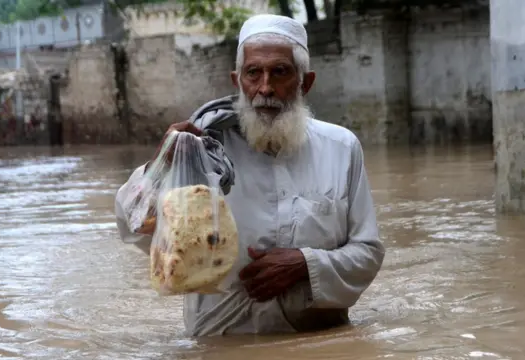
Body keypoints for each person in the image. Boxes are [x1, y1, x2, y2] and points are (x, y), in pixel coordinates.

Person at [115, 13, 385, 337]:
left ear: (305, 82)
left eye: (280, 72)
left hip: (316, 337)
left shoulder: (341, 148)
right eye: (253, 73)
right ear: (237, 81)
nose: (265, 88)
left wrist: (305, 264)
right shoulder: (203, 152)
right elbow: (133, 227)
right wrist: (161, 166)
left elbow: (367, 253)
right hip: (223, 341)